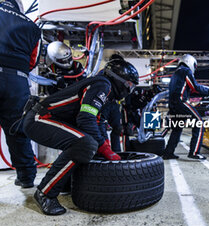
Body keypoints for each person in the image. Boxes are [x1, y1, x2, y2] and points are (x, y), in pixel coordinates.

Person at [23, 58, 139, 215]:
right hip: (40, 118)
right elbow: (86, 118)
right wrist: (104, 148)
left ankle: (63, 183)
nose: (129, 91)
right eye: (130, 86)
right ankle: (45, 193)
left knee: (88, 145)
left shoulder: (106, 92)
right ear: (120, 80)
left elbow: (98, 123)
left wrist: (106, 150)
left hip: (50, 119)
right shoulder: (102, 84)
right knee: (85, 144)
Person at [0, 0, 41, 188]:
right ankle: (26, 177)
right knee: (17, 128)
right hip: (16, 81)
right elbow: (33, 61)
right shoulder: (32, 27)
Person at [163, 54, 209, 160]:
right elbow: (195, 87)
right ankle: (194, 152)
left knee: (177, 128)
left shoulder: (175, 74)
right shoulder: (185, 71)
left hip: (173, 104)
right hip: (181, 102)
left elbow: (189, 91)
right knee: (199, 123)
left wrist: (206, 93)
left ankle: (168, 153)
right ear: (190, 62)